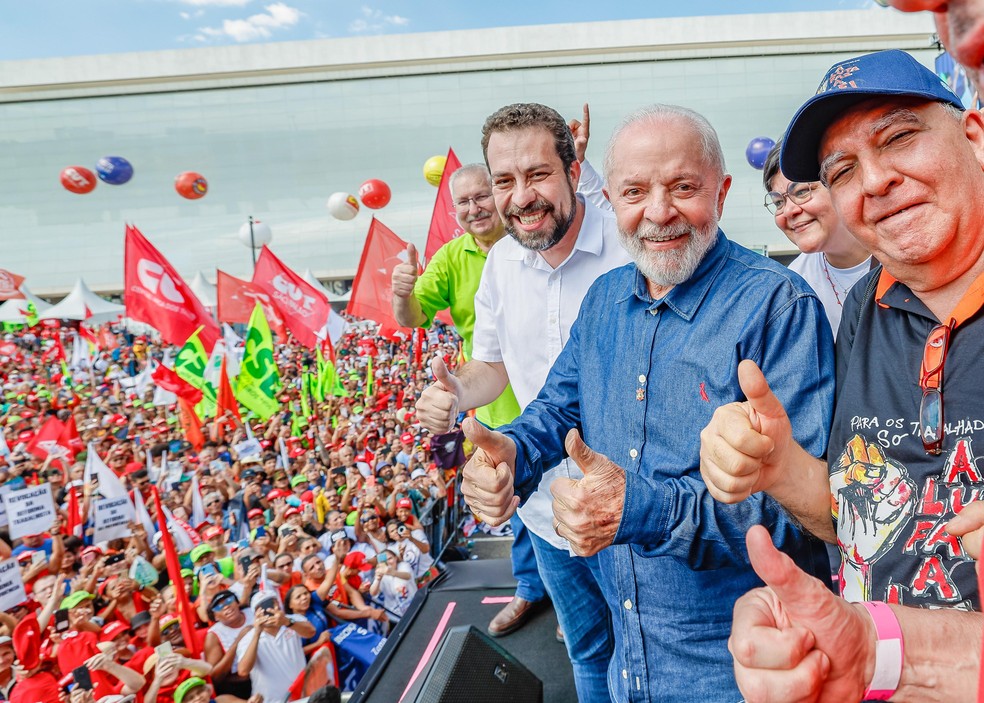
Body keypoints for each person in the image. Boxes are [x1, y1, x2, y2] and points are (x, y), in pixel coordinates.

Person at [452, 103, 835, 702]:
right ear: (611, 198)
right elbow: (556, 410)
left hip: (743, 665)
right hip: (628, 660)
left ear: (722, 191)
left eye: (683, 187)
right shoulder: (605, 300)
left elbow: (806, 521)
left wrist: (642, 510)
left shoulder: (778, 308)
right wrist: (512, 452)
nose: (658, 212)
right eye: (635, 191)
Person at [700, 50, 984, 700]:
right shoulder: (865, 304)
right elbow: (857, 512)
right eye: (843, 170)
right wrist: (777, 466)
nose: (876, 180)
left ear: (974, 136)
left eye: (899, 137)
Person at [416, 102, 631, 701]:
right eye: (504, 181)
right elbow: (493, 367)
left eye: (537, 175)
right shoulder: (500, 266)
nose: (520, 197)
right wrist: (456, 391)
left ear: (571, 167)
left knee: (647, 653)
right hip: (543, 510)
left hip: (632, 510)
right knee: (589, 650)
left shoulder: (629, 245)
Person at [390, 162, 544, 637]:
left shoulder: (536, 240)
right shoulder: (451, 257)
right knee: (517, 499)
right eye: (464, 202)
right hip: (495, 398)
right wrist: (401, 291)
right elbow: (412, 316)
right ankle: (532, 590)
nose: (475, 208)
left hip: (550, 390)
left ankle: (578, 598)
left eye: (483, 195)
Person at [761, 142, 871, 337]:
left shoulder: (897, 254)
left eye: (801, 192)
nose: (789, 211)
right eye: (779, 202)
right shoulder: (795, 285)